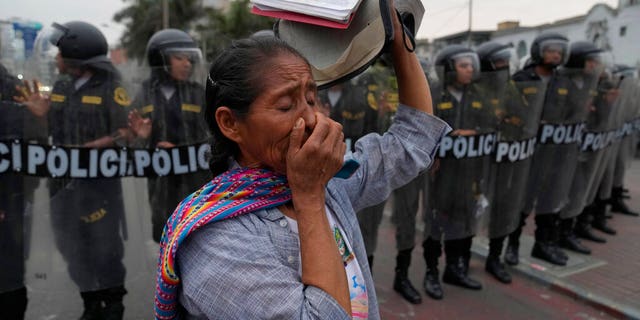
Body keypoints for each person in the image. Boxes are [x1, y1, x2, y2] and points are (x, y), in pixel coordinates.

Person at [153, 5, 450, 319]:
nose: (311, 119)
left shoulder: (331, 180)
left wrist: (397, 41)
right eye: (285, 106)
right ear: (230, 124)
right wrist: (308, 196)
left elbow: (411, 141)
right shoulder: (213, 240)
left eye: (311, 99)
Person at [15, 21, 131, 320]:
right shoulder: (62, 86)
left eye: (60, 53)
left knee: (105, 248)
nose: (56, 59)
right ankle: (89, 302)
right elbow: (50, 129)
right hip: (62, 183)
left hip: (99, 184)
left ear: (78, 54)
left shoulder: (111, 86)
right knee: (70, 246)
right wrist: (40, 117)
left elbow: (124, 131)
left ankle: (113, 303)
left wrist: (98, 145)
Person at [423, 44, 493, 300]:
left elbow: (487, 126)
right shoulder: (434, 95)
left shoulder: (478, 95)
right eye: (464, 65)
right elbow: (424, 131)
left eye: (471, 65)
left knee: (463, 219)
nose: (470, 69)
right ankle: (431, 272)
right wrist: (455, 135)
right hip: (441, 175)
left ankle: (455, 268)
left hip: (469, 172)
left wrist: (471, 133)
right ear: (450, 68)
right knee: (436, 223)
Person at [128, 29, 211, 243]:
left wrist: (180, 151)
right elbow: (130, 145)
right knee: (166, 239)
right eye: (179, 58)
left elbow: (213, 138)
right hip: (160, 185)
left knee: (197, 237)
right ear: (160, 60)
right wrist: (141, 137)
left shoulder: (198, 93)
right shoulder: (144, 93)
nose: (187, 64)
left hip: (194, 182)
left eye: (189, 59)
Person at [476, 40, 540, 284]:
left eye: (505, 61)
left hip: (505, 157)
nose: (503, 66)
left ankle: (495, 255)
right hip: (479, 160)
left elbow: (522, 115)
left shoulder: (511, 87)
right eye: (499, 62)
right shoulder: (476, 87)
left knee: (504, 206)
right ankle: (453, 261)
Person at [507, 32, 573, 266]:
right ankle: (512, 244)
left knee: (551, 200)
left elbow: (571, 112)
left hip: (554, 153)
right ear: (538, 51)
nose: (556, 55)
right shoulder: (522, 78)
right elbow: (509, 112)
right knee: (522, 202)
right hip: (527, 154)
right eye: (551, 50)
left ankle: (543, 245)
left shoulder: (564, 81)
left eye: (559, 51)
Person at [558, 40, 605, 255]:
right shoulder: (562, 81)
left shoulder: (589, 83)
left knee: (578, 189)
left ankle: (570, 231)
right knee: (561, 193)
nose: (594, 66)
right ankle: (555, 237)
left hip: (581, 146)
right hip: (561, 150)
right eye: (590, 61)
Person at [0, 62, 29, 320]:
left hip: (8, 202)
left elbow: (33, 153)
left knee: (9, 283)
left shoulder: (11, 88)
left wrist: (38, 119)